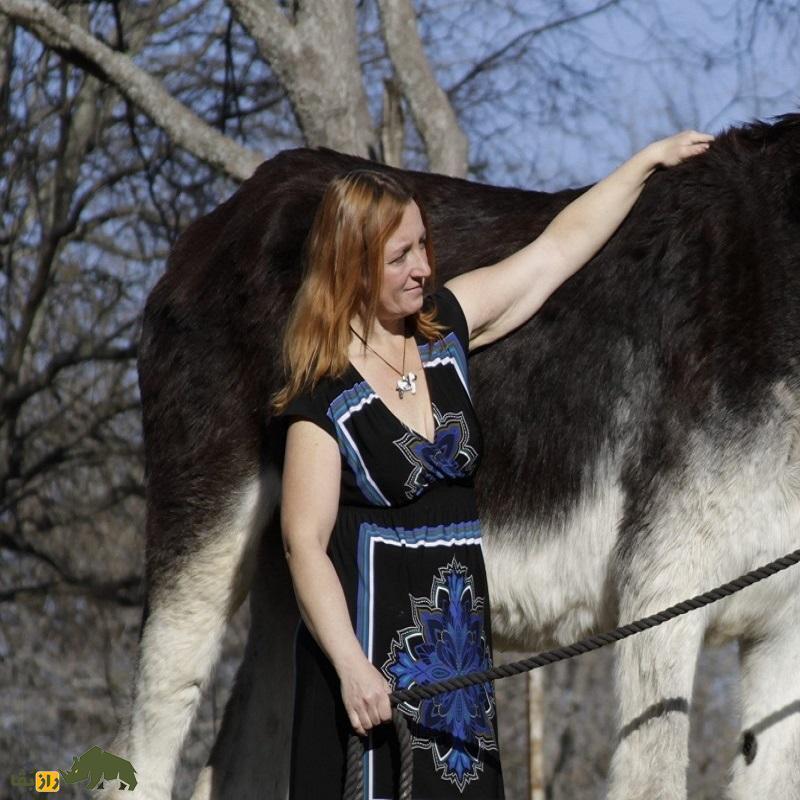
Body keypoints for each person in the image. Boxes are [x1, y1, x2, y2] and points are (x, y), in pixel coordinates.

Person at [273, 129, 713, 799]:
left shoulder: (446, 331)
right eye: (400, 256)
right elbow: (303, 545)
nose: (423, 266)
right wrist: (351, 668)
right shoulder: (321, 395)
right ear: (353, 266)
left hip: (457, 681)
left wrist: (646, 164)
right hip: (368, 680)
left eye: (423, 245)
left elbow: (556, 252)